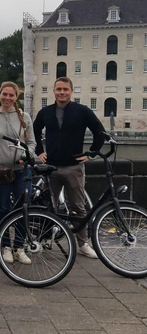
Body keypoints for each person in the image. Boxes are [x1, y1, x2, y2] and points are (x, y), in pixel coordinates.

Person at [33, 76, 105, 259]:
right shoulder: (46, 112)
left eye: (65, 89)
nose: (62, 92)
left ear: (71, 91)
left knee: (78, 207)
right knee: (47, 205)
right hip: (51, 168)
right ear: (54, 91)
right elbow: (34, 131)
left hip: (74, 167)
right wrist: (39, 151)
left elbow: (100, 132)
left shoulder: (82, 111)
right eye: (59, 89)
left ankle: (83, 244)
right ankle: (43, 238)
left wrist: (91, 153)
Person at [0, 81, 36, 265]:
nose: (7, 98)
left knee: (22, 209)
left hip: (21, 169)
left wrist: (25, 156)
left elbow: (32, 144)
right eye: (5, 94)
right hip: (0, 170)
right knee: (3, 209)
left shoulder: (24, 117)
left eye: (11, 95)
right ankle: (4, 246)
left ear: (16, 97)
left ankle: (19, 247)